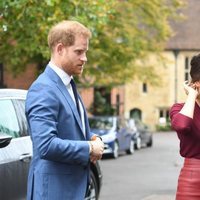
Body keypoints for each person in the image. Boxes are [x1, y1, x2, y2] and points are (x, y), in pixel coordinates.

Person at [25, 20, 104, 200]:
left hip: (72, 190)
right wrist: (89, 148)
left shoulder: (68, 84)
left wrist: (92, 137)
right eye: (79, 52)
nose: (85, 58)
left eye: (85, 52)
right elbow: (45, 145)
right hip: (54, 192)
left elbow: (70, 127)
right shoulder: (43, 89)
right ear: (60, 49)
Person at [170, 53, 200, 200]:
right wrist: (191, 96)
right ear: (197, 83)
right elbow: (182, 125)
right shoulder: (178, 109)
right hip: (192, 180)